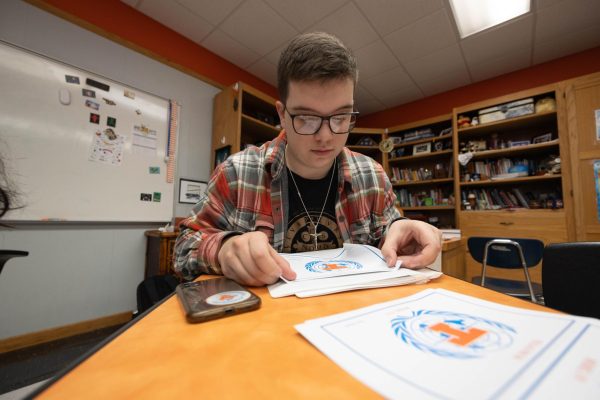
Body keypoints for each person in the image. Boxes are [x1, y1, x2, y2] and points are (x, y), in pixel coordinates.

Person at [174, 32, 441, 286]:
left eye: (340, 117)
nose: (325, 136)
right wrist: (223, 249)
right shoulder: (237, 173)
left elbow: (391, 240)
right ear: (282, 114)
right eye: (307, 118)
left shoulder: (372, 176)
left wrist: (403, 231)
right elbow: (184, 249)